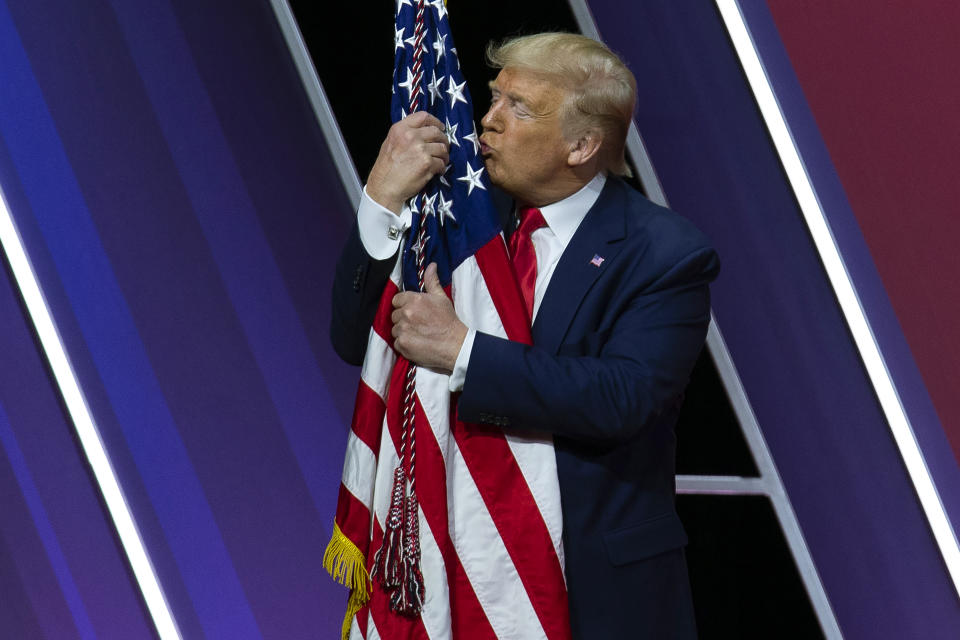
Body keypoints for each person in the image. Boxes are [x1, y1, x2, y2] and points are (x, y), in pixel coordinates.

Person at [331, 32, 718, 639]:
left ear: (583, 145)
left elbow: (624, 396)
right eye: (493, 98)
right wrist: (381, 199)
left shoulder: (664, 252)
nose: (487, 121)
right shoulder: (461, 226)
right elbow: (357, 341)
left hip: (591, 593)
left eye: (519, 108)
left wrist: (464, 351)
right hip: (447, 573)